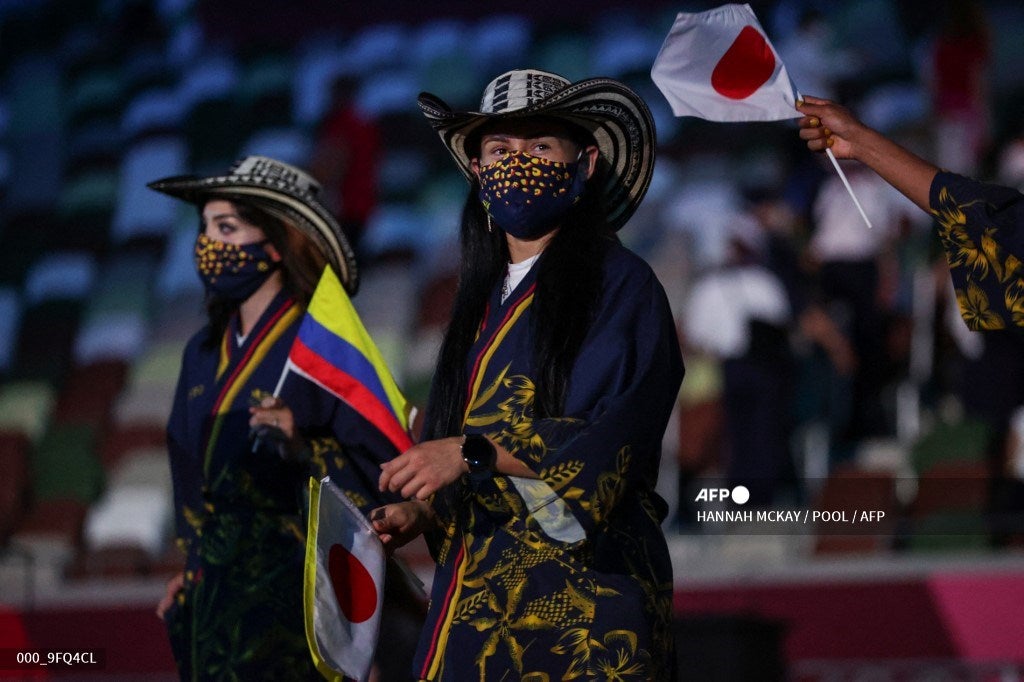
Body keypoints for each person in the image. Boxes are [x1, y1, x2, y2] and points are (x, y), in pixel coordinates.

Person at [370, 69, 684, 680]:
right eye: (499, 150)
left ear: (585, 163)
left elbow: (609, 439)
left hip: (586, 611)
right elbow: (470, 453)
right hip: (480, 602)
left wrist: (469, 453)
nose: (518, 162)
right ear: (480, 172)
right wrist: (428, 513)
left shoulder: (623, 286)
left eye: (540, 147)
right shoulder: (476, 305)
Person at [147, 156, 408, 680]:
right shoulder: (201, 351)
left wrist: (303, 451)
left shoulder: (326, 344)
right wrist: (195, 566)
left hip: (304, 599)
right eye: (204, 229)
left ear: (274, 243)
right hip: (220, 600)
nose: (208, 245)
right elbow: (188, 474)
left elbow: (383, 474)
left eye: (226, 228)